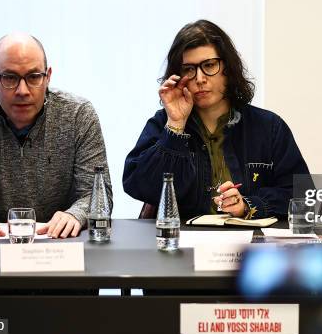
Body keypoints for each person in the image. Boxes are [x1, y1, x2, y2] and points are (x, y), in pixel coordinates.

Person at [123, 20, 309, 219]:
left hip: (248, 245)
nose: (200, 78)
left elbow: (303, 197)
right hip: (183, 242)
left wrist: (248, 206)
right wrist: (175, 128)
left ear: (228, 68)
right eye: (189, 69)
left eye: (209, 65)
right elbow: (138, 186)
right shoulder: (164, 124)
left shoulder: (268, 127)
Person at [0, 32, 112, 240]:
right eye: (10, 77)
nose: (22, 90)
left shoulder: (78, 114)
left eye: (34, 77)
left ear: (48, 76)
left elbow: (98, 192)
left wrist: (75, 215)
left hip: (62, 243)